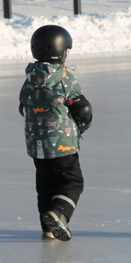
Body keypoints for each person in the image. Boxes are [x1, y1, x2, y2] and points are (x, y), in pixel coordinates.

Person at [19, 25, 92, 241]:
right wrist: (80, 127)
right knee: (72, 182)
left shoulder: (30, 79)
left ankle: (48, 228)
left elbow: (23, 106)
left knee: (45, 186)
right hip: (63, 143)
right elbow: (83, 110)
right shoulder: (64, 78)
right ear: (60, 52)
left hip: (36, 146)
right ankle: (58, 214)